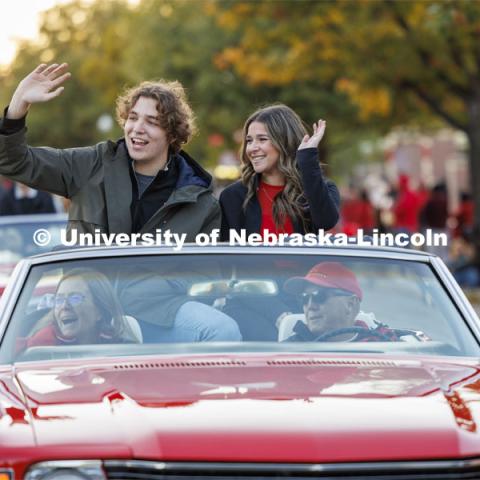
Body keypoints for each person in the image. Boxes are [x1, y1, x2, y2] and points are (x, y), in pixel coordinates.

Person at [0, 63, 220, 241]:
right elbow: (14, 163)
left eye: (152, 122)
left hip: (161, 299)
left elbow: (202, 276)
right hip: (86, 295)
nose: (137, 128)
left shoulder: (201, 204)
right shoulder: (89, 165)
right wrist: (18, 106)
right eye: (133, 118)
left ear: (172, 135)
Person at [219, 104, 339, 241]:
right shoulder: (232, 196)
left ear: (285, 142)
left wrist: (307, 159)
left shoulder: (320, 189)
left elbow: (325, 222)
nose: (252, 148)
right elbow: (226, 257)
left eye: (262, 139)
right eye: (249, 140)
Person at [18, 268, 140, 350]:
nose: (64, 306)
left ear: (99, 311)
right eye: (59, 300)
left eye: (75, 298)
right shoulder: (41, 347)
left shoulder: (121, 349)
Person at [282, 262, 400, 342]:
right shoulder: (290, 350)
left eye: (319, 296)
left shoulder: (383, 344)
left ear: (350, 305)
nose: (310, 306)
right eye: (304, 298)